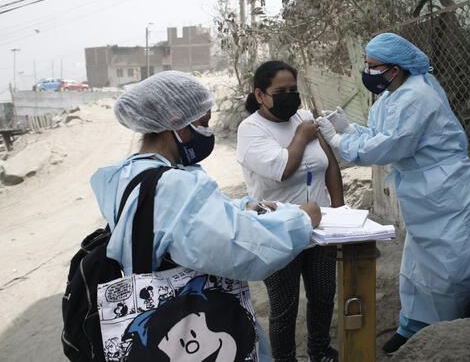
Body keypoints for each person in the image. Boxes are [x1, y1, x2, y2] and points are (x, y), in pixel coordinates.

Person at [91, 70, 321, 361]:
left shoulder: (129, 174)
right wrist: (302, 219)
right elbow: (240, 249)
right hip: (190, 319)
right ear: (176, 124)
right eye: (204, 123)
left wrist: (240, 208)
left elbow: (182, 223)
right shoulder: (175, 185)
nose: (208, 132)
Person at [317, 33, 470, 355]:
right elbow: (381, 134)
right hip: (425, 192)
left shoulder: (418, 96)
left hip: (449, 190)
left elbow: (390, 146)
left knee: (451, 268)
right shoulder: (392, 95)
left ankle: (450, 334)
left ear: (394, 69)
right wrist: (349, 129)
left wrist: (339, 142)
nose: (366, 72)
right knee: (418, 266)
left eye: (372, 66)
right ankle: (412, 326)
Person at [236, 61, 343, 362]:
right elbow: (281, 169)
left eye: (293, 90)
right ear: (260, 95)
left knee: (323, 295)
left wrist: (339, 211)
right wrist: (300, 137)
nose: (289, 96)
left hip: (320, 226)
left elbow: (329, 165)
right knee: (284, 307)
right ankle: (285, 359)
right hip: (278, 232)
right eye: (280, 91)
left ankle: (320, 351)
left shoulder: (304, 117)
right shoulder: (251, 130)